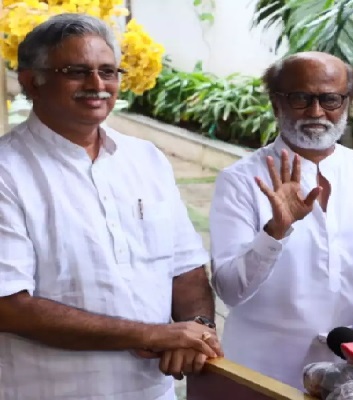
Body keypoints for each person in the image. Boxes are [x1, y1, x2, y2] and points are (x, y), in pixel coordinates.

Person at [0, 13, 223, 400]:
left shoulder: (146, 158)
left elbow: (185, 266)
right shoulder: (8, 171)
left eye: (108, 71)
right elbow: (9, 305)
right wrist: (150, 334)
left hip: (153, 391)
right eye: (77, 72)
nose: (97, 85)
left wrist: (198, 327)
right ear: (32, 81)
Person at [208, 51, 353, 389]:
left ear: (347, 102)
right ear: (276, 102)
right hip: (263, 374)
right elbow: (229, 290)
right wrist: (275, 232)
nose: (316, 112)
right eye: (301, 98)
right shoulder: (241, 181)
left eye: (330, 99)